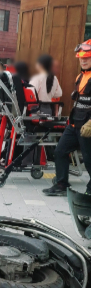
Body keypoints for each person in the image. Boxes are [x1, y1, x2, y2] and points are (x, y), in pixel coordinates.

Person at [43, 40, 91, 196]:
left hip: (88, 126)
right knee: (60, 151)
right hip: (74, 124)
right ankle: (61, 184)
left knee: (90, 161)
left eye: (87, 57)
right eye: (81, 58)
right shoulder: (80, 76)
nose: (83, 61)